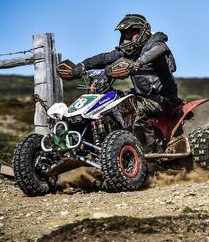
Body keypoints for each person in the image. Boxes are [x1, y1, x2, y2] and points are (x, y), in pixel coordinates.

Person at [56, 14, 180, 152]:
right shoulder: (128, 52)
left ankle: (151, 152)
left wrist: (137, 63)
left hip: (162, 98)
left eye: (132, 33)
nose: (128, 37)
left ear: (143, 32)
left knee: (135, 111)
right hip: (142, 95)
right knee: (108, 101)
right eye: (125, 33)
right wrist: (82, 66)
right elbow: (104, 58)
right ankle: (95, 143)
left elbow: (159, 49)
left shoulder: (155, 43)